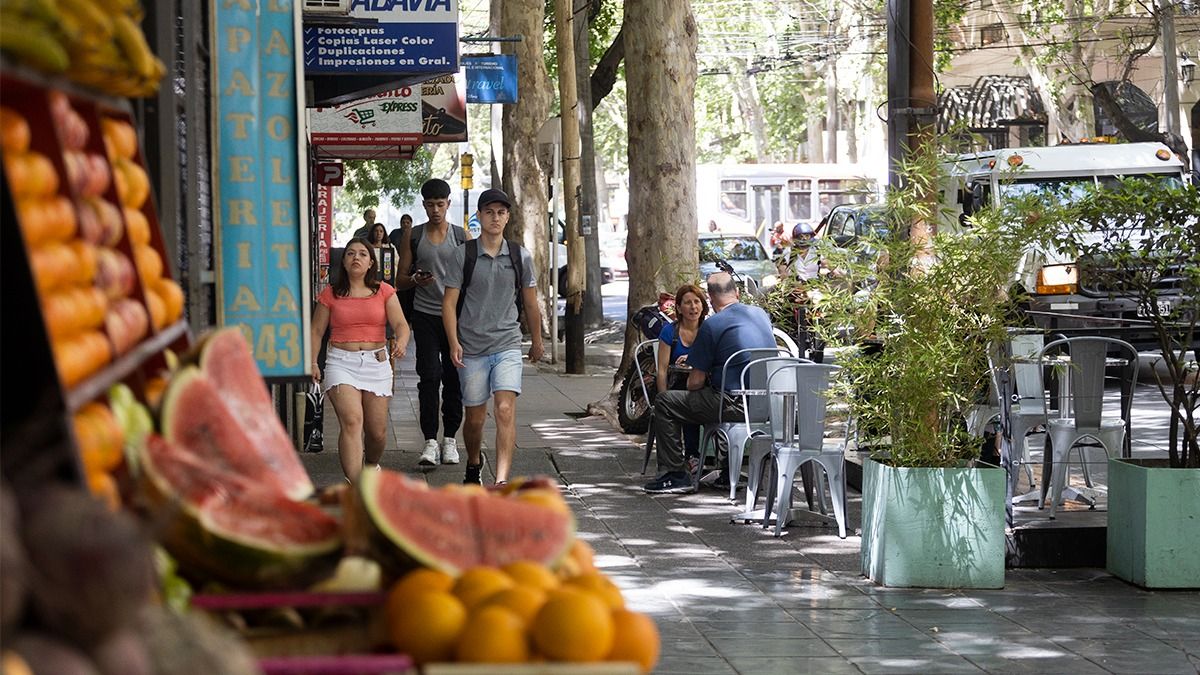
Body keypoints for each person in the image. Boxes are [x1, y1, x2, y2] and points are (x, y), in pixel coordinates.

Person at [443, 188, 544, 486]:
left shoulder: (519, 256)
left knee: (504, 409)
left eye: (501, 212)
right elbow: (448, 303)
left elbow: (531, 303)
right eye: (489, 212)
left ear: (508, 217)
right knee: (474, 419)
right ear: (479, 216)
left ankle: (501, 482)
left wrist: (537, 341)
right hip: (472, 348)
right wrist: (454, 342)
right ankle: (474, 461)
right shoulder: (463, 255)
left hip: (507, 343)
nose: (495, 218)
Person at [643, 271, 774, 494]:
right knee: (699, 400)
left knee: (665, 401)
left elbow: (695, 382)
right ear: (737, 293)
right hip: (767, 404)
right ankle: (724, 469)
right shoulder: (760, 315)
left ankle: (676, 474)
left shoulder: (712, 325)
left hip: (733, 404)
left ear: (710, 300)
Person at [311, 238, 410, 484]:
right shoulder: (330, 293)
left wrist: (401, 341)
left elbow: (401, 324)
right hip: (341, 363)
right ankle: (356, 486)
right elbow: (316, 331)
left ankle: (371, 465)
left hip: (376, 363)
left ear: (371, 263)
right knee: (352, 421)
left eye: (363, 254)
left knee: (377, 432)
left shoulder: (384, 291)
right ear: (344, 262)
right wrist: (312, 362)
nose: (356, 257)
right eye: (350, 253)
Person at [397, 180, 468, 467]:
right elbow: (400, 279)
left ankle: (450, 439)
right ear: (424, 205)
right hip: (424, 315)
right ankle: (430, 440)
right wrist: (416, 279)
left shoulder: (461, 236)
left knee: (454, 377)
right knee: (429, 376)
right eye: (430, 205)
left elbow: (472, 278)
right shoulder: (414, 235)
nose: (436, 210)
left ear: (448, 204)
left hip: (456, 318)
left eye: (440, 204)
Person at [655, 284, 709, 471]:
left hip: (703, 385)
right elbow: (662, 370)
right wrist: (663, 397)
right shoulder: (670, 332)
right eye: (687, 303)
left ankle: (715, 459)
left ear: (703, 306)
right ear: (678, 308)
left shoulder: (709, 330)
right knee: (686, 401)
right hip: (677, 386)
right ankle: (689, 457)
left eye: (697, 302)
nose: (693, 307)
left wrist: (693, 358)